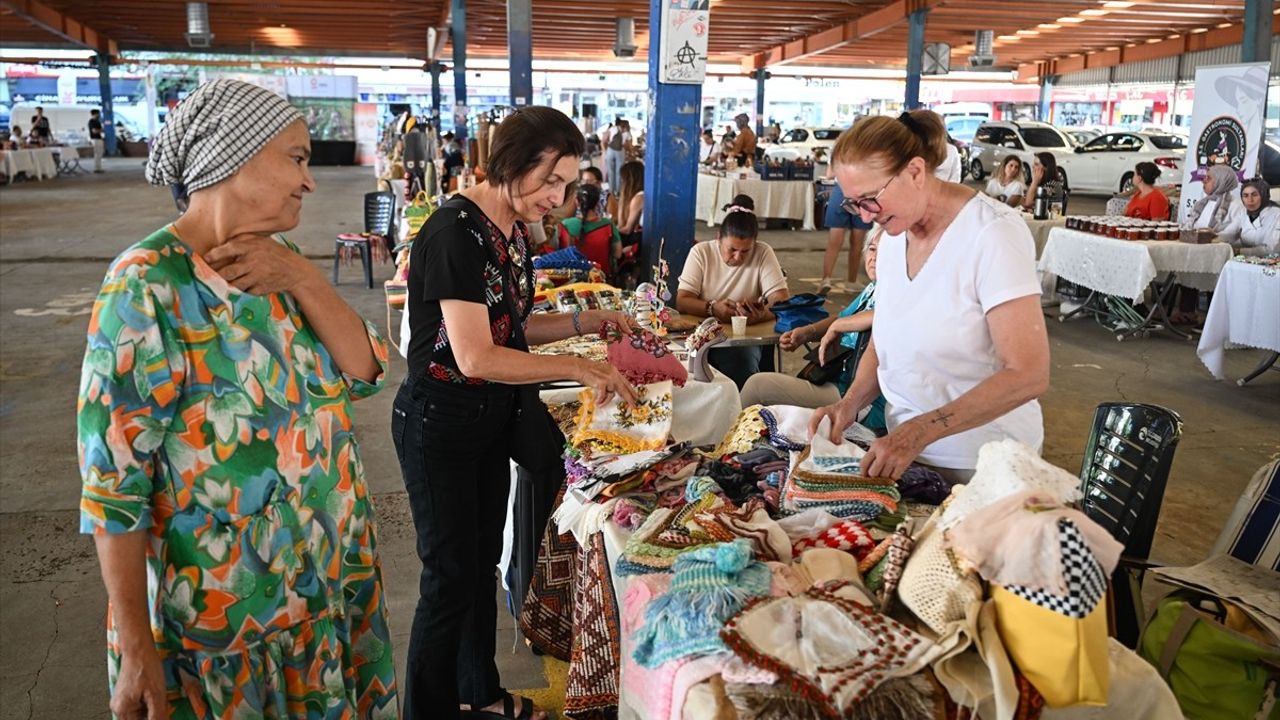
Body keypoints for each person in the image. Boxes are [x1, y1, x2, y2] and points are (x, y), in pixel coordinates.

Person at [78, 79, 398, 719]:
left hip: (326, 590)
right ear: (233, 155)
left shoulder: (273, 260)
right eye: (297, 158)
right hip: (228, 625)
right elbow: (114, 486)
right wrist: (137, 647)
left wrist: (305, 277)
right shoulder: (145, 288)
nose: (309, 181)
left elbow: (367, 370)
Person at [396, 106, 638, 720]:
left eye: (567, 184)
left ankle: (479, 694)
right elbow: (476, 354)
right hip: (441, 421)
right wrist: (580, 368)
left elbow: (512, 325)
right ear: (510, 166)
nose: (557, 199)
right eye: (549, 182)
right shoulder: (456, 232)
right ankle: (428, 709)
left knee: (477, 567)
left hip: (484, 416)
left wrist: (590, 320)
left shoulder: (507, 229)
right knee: (448, 578)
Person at [810, 110, 1049, 484]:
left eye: (870, 199)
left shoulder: (992, 234)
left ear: (916, 172)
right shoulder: (893, 236)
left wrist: (921, 431)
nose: (867, 216)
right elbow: (886, 339)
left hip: (984, 462)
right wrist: (851, 403)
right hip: (906, 454)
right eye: (854, 205)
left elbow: (1028, 374)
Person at [741, 229, 886, 432]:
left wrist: (839, 326)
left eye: (885, 250)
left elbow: (887, 316)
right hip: (835, 378)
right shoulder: (873, 287)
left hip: (858, 399)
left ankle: (725, 451)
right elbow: (843, 317)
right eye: (871, 249)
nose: (874, 258)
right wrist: (806, 332)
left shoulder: (898, 292)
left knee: (757, 386)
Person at [675, 195, 791, 388]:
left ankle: (747, 412)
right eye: (732, 250)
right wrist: (712, 308)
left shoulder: (763, 253)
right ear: (719, 238)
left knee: (743, 362)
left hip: (742, 340)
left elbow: (782, 301)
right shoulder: (701, 253)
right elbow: (682, 300)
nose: (738, 257)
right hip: (703, 336)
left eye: (746, 251)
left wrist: (760, 315)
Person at [818, 167, 871, 294]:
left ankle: (826, 279)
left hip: (842, 189)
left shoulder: (838, 149)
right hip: (863, 192)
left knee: (834, 240)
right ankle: (851, 281)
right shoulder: (868, 148)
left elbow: (829, 174)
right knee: (857, 242)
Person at [557, 182, 621, 273]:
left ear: (577, 202)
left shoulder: (565, 225)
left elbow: (558, 254)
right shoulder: (608, 225)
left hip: (570, 278)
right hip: (601, 278)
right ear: (598, 202)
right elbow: (618, 254)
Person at [1221, 177, 1279, 255]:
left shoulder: (1277, 214)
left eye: (1254, 195)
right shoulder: (1243, 213)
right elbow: (1229, 234)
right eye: (1245, 195)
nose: (1250, 200)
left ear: (1264, 195)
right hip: (1247, 260)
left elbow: (1272, 249)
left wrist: (1239, 251)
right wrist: (1213, 238)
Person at [1186, 164, 1240, 233]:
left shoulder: (1235, 206)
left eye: (1208, 178)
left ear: (1221, 180)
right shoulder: (1201, 203)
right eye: (1204, 177)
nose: (1203, 181)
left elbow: (1233, 236)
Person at [616, 159, 645, 242]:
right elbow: (621, 224)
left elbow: (627, 230)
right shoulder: (633, 196)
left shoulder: (639, 197)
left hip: (640, 241)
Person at [603, 118, 631, 191]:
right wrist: (630, 152)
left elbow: (605, 140)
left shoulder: (612, 129)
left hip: (610, 150)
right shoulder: (626, 132)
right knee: (619, 171)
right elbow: (628, 145)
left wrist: (606, 150)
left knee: (610, 171)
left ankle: (611, 191)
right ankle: (618, 192)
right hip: (620, 151)